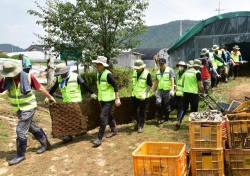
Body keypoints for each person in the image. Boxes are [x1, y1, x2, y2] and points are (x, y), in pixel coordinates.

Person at [0, 61, 55, 165]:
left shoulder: (28, 77)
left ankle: (20, 155)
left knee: (20, 129)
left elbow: (40, 87)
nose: (11, 76)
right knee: (30, 127)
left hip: (29, 107)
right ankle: (46, 144)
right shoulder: (6, 80)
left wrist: (49, 97)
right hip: (18, 108)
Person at [47, 63, 97, 142]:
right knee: (68, 118)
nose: (60, 75)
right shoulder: (59, 79)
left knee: (77, 117)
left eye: (61, 73)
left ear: (65, 71)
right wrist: (48, 96)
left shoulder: (75, 76)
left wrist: (92, 93)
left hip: (76, 101)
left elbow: (84, 85)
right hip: (66, 101)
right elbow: (54, 88)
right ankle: (69, 135)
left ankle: (79, 131)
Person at [91, 56, 121, 146]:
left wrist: (117, 98)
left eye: (99, 64)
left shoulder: (108, 74)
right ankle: (113, 130)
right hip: (102, 99)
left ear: (103, 65)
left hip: (109, 99)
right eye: (96, 64)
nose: (97, 66)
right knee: (109, 115)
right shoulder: (98, 73)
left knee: (103, 117)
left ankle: (99, 138)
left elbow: (115, 85)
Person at [130, 59, 152, 132]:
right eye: (136, 68)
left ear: (142, 67)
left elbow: (150, 85)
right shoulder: (134, 73)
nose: (137, 69)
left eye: (138, 68)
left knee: (142, 112)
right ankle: (139, 122)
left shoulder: (147, 74)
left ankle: (141, 126)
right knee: (132, 109)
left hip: (143, 96)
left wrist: (145, 93)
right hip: (135, 95)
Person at [152, 58, 174, 125]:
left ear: (165, 63)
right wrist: (153, 90)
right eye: (160, 64)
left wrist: (172, 89)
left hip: (167, 90)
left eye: (162, 64)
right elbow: (156, 82)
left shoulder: (170, 70)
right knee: (158, 103)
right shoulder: (158, 72)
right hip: (160, 90)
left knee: (167, 105)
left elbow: (172, 80)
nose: (161, 65)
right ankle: (159, 118)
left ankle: (166, 119)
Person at [172, 61, 186, 128]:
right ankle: (179, 115)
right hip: (176, 92)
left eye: (181, 66)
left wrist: (184, 92)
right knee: (175, 105)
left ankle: (178, 121)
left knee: (181, 107)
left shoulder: (185, 74)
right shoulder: (176, 74)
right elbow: (175, 82)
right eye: (179, 66)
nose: (180, 67)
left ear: (184, 67)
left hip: (182, 93)